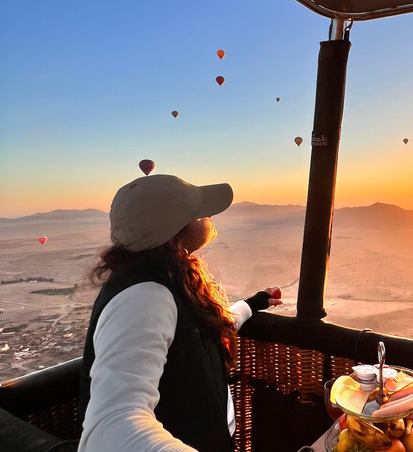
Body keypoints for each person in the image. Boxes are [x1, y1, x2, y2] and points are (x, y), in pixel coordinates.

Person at [78, 174, 284, 452]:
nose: (209, 214)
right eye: (199, 213)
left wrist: (253, 304)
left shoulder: (166, 279)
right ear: (174, 231)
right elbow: (112, 424)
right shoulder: (144, 298)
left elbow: (199, 333)